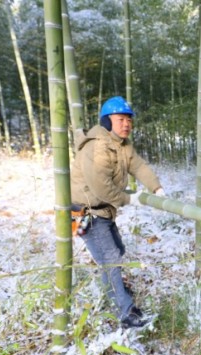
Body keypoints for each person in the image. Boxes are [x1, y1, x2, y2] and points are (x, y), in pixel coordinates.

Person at [70, 96, 165, 329]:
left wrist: (156, 187)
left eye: (129, 120)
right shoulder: (97, 146)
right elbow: (100, 187)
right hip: (87, 212)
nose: (126, 124)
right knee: (111, 258)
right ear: (107, 121)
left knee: (116, 251)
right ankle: (126, 311)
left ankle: (112, 290)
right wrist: (128, 199)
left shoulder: (123, 145)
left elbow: (138, 166)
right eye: (120, 119)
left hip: (104, 210)